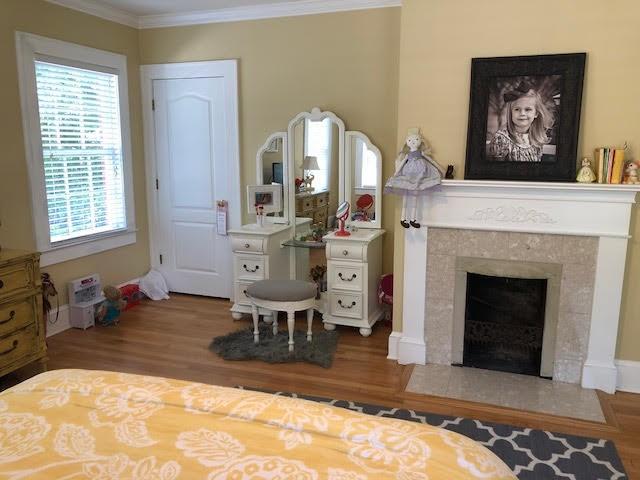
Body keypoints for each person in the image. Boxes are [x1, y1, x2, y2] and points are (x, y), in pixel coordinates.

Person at [384, 131, 444, 228]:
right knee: (406, 196)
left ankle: (413, 219)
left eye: (416, 139)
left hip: (420, 176)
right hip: (408, 175)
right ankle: (403, 219)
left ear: (420, 141)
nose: (413, 142)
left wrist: (440, 169)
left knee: (415, 195)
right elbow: (401, 164)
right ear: (407, 142)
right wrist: (395, 174)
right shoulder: (407, 155)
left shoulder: (421, 153)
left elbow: (431, 161)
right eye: (410, 140)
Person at [487, 84, 553, 162]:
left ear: (536, 114)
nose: (522, 113)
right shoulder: (501, 139)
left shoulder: (537, 138)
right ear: (511, 113)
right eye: (517, 109)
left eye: (528, 109)